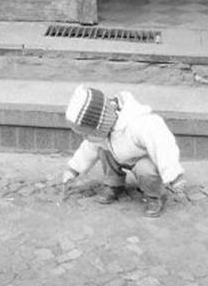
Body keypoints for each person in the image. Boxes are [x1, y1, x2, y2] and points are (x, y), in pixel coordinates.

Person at [62, 84, 186, 218]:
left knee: (146, 170)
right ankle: (114, 184)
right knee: (103, 151)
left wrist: (173, 174)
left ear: (101, 124)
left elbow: (163, 146)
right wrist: (73, 170)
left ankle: (154, 196)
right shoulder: (101, 133)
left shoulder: (141, 124)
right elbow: (88, 148)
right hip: (119, 156)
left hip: (142, 159)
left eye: (87, 134)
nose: (85, 137)